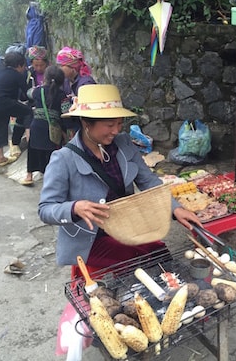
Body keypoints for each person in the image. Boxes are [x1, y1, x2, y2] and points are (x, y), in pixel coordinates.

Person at [38, 84, 202, 268]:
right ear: (86, 123)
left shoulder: (123, 144)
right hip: (91, 239)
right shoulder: (63, 159)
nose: (116, 130)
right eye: (109, 125)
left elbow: (148, 181)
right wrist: (74, 208)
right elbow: (45, 209)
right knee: (139, 261)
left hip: (126, 226)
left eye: (119, 123)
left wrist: (175, 208)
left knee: (160, 254)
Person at [0, 51, 32, 166]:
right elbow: (27, 93)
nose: (24, 69)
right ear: (19, 65)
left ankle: (0, 157)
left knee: (0, 128)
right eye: (24, 66)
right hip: (3, 103)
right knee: (28, 112)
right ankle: (31, 144)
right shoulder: (17, 75)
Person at [20, 65, 66, 186]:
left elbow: (29, 93)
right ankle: (50, 177)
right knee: (51, 153)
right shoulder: (62, 95)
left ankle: (29, 176)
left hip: (36, 126)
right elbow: (65, 112)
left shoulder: (37, 91)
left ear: (45, 78)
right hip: (52, 128)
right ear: (61, 81)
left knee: (33, 150)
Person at [11, 45, 51, 158]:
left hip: (47, 102)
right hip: (31, 101)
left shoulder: (51, 72)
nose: (38, 68)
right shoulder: (27, 74)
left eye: (41, 65)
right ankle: (15, 142)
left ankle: (33, 144)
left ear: (47, 63)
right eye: (36, 65)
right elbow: (23, 92)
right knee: (23, 113)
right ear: (31, 63)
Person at [55, 46, 96, 141]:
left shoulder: (86, 84)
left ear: (72, 68)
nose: (59, 69)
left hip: (85, 126)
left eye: (62, 66)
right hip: (72, 125)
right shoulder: (65, 81)